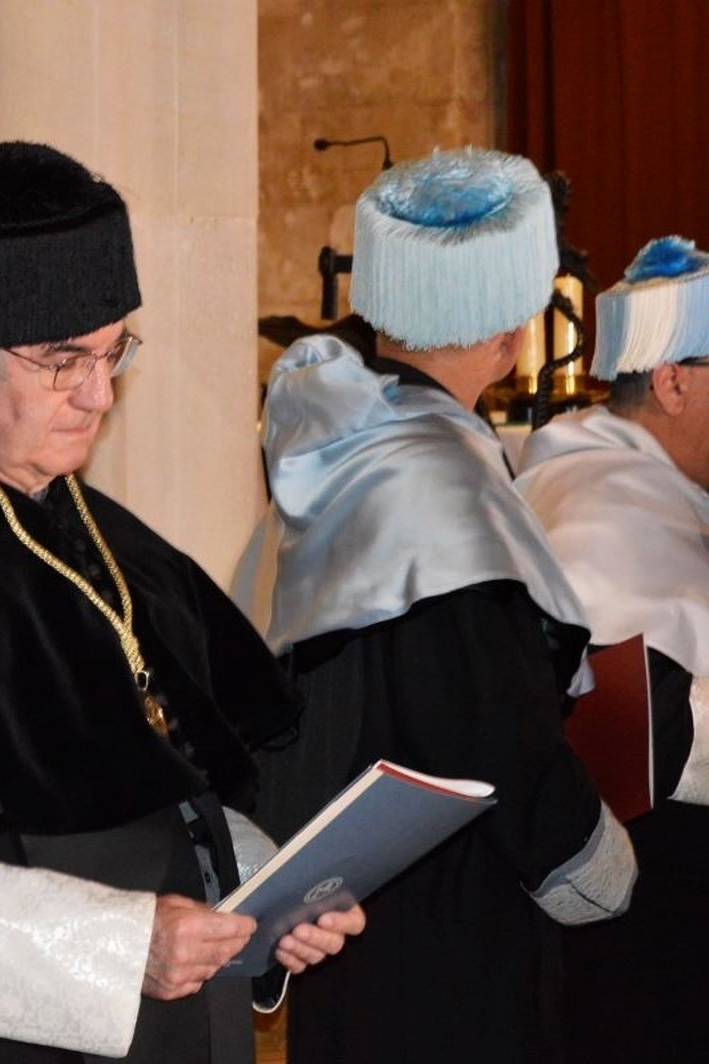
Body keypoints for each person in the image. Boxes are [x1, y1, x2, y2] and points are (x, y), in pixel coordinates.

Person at [0, 141, 363, 1064]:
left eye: (114, 350)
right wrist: (117, 950)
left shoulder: (118, 542)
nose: (100, 394)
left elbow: (184, 796)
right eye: (64, 361)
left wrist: (269, 904)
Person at [231, 147, 637, 1063]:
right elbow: (490, 726)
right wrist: (591, 859)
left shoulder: (343, 434)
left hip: (348, 913)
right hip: (446, 928)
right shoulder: (439, 480)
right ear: (510, 326)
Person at [515, 235, 709, 1064]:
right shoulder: (602, 508)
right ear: (673, 382)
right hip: (639, 910)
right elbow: (637, 726)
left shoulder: (625, 477)